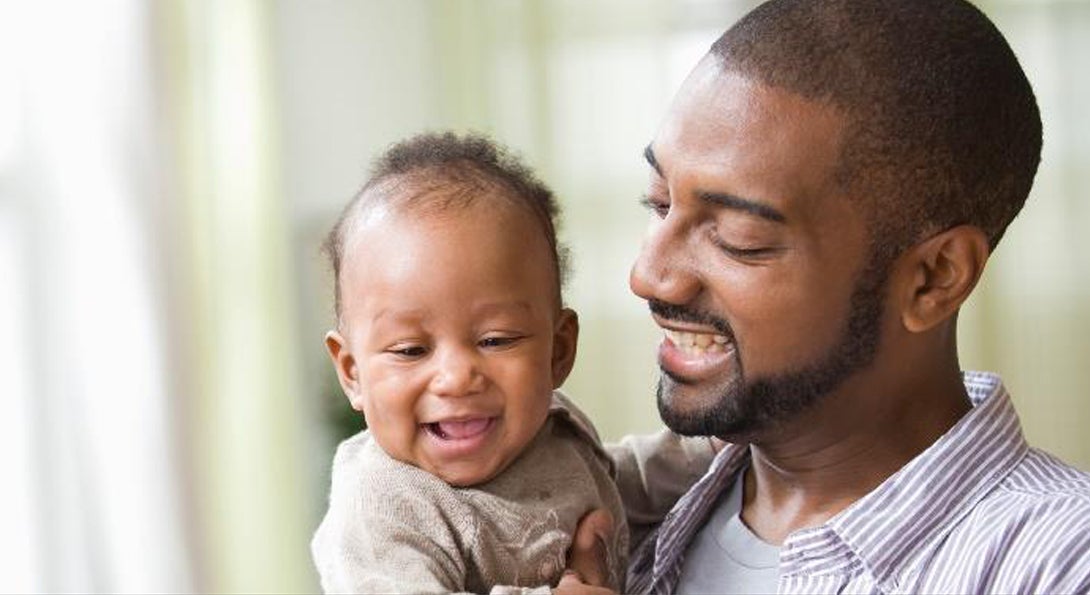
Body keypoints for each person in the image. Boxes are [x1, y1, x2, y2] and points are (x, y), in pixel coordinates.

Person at [562, 0, 1090, 593]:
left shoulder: (1063, 564)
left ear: (934, 278)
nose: (649, 276)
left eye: (739, 239)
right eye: (660, 203)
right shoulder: (605, 516)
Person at [310, 131, 650, 594]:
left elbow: (622, 477)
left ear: (557, 351)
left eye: (496, 339)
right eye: (411, 350)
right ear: (353, 374)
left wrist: (714, 450)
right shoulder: (380, 508)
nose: (455, 378)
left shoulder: (552, 430)